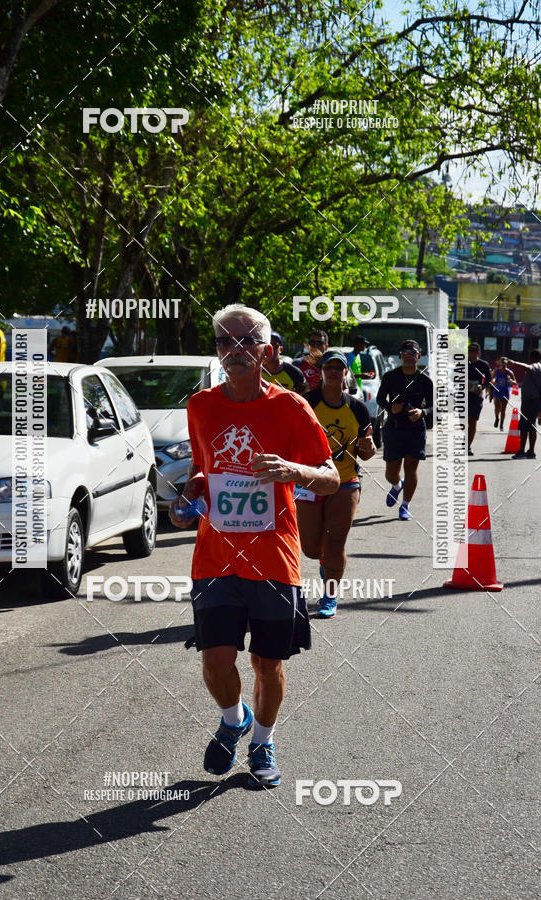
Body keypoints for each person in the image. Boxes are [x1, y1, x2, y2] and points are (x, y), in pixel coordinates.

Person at [169, 303, 339, 789]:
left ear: (265, 352)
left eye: (245, 342)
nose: (234, 350)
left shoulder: (290, 407)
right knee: (215, 658)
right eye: (225, 341)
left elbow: (329, 477)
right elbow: (204, 472)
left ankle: (262, 739)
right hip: (216, 557)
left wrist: (294, 471)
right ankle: (233, 718)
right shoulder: (200, 406)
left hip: (273, 559)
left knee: (268, 663)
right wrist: (192, 493)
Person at [296, 349, 375, 618]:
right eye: (328, 367)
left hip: (345, 482)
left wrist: (370, 447)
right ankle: (324, 562)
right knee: (310, 548)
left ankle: (329, 596)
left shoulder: (358, 409)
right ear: (321, 371)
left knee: (335, 543)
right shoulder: (307, 403)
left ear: (346, 373)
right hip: (310, 482)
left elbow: (366, 452)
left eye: (338, 367)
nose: (333, 371)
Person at [376, 339, 434, 520]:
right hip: (394, 428)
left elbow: (434, 407)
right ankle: (396, 485)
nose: (409, 357)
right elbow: (379, 399)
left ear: (418, 356)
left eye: (413, 354)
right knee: (391, 472)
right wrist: (389, 407)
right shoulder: (390, 377)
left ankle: (405, 505)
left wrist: (422, 412)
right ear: (400, 356)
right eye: (406, 354)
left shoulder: (425, 381)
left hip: (415, 429)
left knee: (411, 467)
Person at [507, 349, 541, 459]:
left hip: (531, 401)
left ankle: (522, 451)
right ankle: (531, 452)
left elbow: (527, 367)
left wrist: (513, 363)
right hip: (534, 400)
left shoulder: (536, 366)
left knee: (524, 427)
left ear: (532, 358)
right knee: (531, 426)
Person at [467, 342, 492, 456]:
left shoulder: (483, 364)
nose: (471, 353)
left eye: (474, 351)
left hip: (476, 396)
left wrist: (482, 386)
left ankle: (467, 446)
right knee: (462, 422)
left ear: (478, 352)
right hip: (463, 396)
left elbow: (489, 379)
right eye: (470, 350)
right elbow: (454, 377)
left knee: (472, 421)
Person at [491, 357, 516, 430]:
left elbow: (515, 382)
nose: (504, 365)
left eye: (505, 364)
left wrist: (510, 380)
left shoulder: (510, 372)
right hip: (497, 391)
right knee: (497, 406)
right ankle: (496, 418)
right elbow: (492, 379)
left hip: (505, 392)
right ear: (500, 363)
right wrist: (493, 380)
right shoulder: (496, 371)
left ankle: (501, 424)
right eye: (503, 364)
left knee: (503, 409)